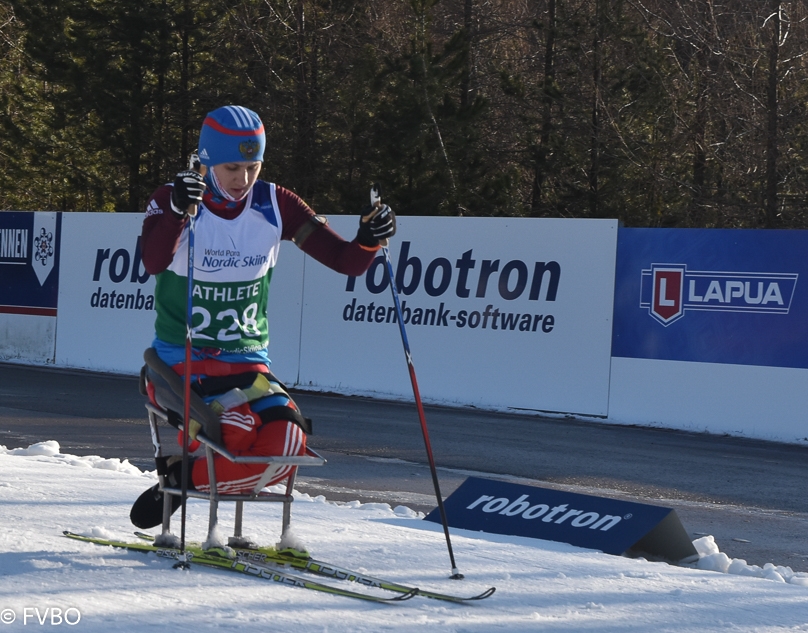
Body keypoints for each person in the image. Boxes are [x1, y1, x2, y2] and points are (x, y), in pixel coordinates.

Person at [130, 105, 395, 529]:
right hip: (181, 363)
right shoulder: (173, 198)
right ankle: (194, 475)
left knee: (289, 444)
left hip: (248, 364)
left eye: (254, 166)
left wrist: (368, 239)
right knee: (233, 432)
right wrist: (179, 211)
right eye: (233, 167)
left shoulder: (277, 202)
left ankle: (183, 477)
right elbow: (153, 261)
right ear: (207, 159)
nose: (244, 179)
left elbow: (347, 262)